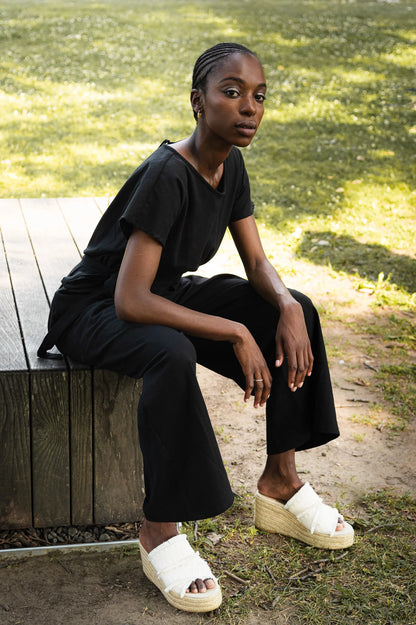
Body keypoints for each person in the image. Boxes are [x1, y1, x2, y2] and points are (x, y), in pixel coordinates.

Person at [39, 42, 354, 613]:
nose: (249, 107)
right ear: (197, 101)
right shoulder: (167, 174)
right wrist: (234, 332)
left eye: (259, 96)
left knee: (298, 310)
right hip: (92, 307)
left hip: (160, 291)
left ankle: (280, 483)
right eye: (231, 93)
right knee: (171, 351)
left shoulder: (230, 166)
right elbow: (130, 299)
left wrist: (285, 305)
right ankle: (159, 529)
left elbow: (255, 261)